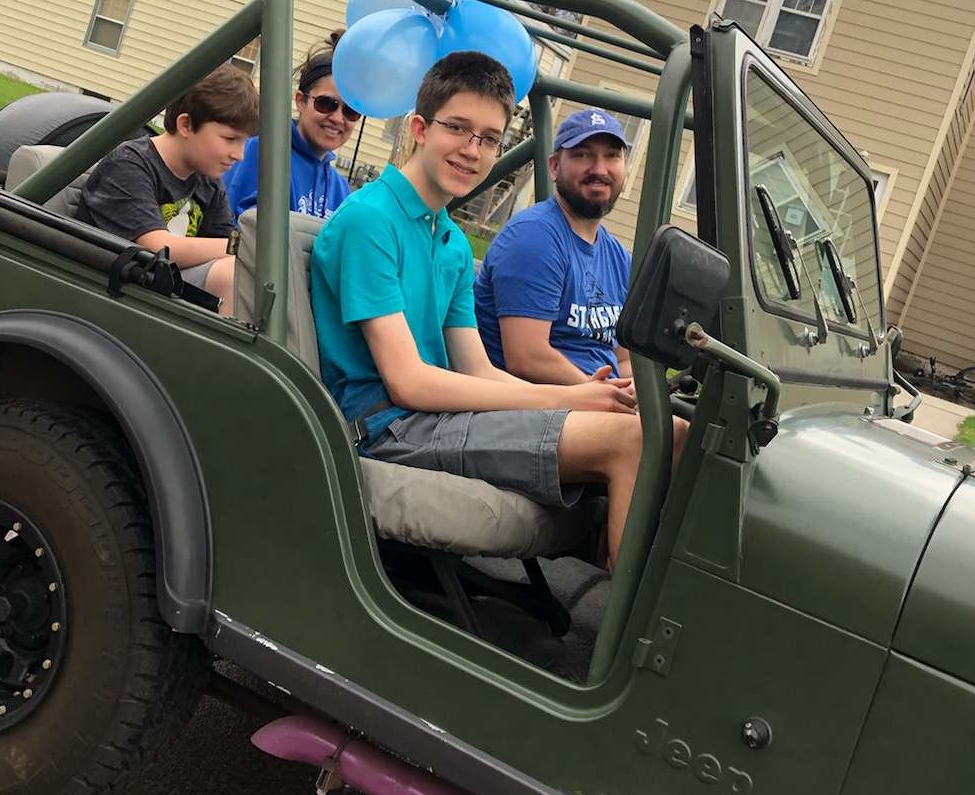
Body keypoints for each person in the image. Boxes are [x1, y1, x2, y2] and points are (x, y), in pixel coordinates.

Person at [310, 52, 686, 568]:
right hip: (390, 427)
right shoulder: (370, 221)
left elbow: (478, 366)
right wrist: (563, 399)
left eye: (489, 138)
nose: (472, 150)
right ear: (419, 128)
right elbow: (408, 383)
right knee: (635, 441)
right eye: (458, 129)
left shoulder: (451, 242)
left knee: (676, 432)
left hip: (436, 416)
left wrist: (581, 394)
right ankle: (628, 643)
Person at [75, 64, 258, 316]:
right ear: (185, 125)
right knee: (233, 273)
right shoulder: (129, 164)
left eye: (244, 142)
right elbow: (159, 247)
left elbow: (225, 239)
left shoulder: (207, 180)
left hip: (159, 291)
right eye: (230, 139)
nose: (238, 155)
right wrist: (242, 248)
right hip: (111, 294)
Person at [475, 108, 634, 385]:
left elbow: (625, 359)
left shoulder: (619, 258)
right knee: (678, 430)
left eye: (611, 155)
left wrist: (633, 391)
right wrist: (600, 395)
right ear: (554, 166)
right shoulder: (534, 236)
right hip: (532, 407)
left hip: (594, 400)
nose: (599, 169)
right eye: (583, 154)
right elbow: (527, 358)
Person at [224, 32, 354, 221]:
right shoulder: (260, 152)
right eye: (326, 104)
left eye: (351, 111)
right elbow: (226, 228)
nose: (337, 118)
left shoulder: (341, 190)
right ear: (300, 101)